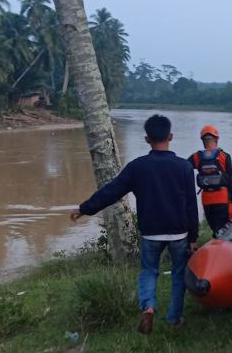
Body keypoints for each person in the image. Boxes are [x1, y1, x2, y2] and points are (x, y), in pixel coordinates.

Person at [70, 114, 199, 334]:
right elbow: (191, 206)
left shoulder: (137, 167)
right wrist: (193, 237)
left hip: (150, 233)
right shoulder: (184, 167)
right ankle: (174, 318)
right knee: (178, 274)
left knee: (149, 271)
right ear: (171, 136)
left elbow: (111, 192)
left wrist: (85, 208)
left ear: (147, 139)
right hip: (179, 233)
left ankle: (148, 308)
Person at [188, 125, 232, 236]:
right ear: (216, 139)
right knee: (224, 230)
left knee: (214, 228)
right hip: (222, 199)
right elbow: (231, 180)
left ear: (202, 140)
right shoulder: (224, 156)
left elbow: (184, 168)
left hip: (206, 200)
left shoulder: (196, 157)